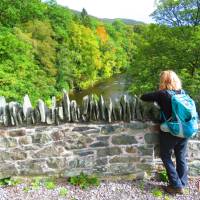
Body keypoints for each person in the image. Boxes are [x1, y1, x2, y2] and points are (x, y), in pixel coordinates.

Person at [140, 70, 188, 195]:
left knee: (165, 155)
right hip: (185, 130)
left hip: (170, 131)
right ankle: (182, 183)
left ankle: (176, 185)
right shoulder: (183, 93)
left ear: (164, 81)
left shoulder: (162, 94)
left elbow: (143, 97)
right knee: (181, 156)